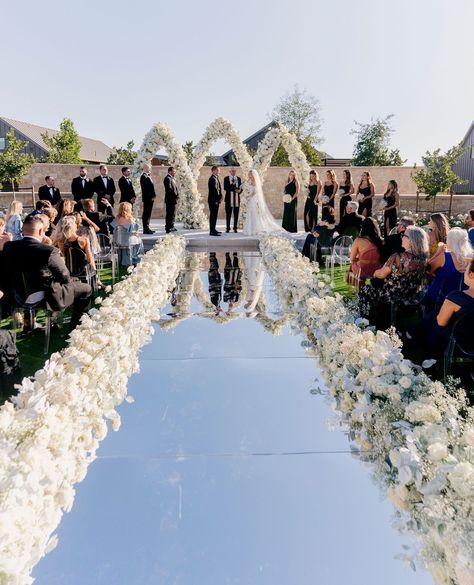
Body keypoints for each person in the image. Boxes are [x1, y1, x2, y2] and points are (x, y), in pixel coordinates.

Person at [2, 214, 92, 330]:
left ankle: (34, 322)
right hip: (45, 298)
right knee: (86, 289)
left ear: (23, 230)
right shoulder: (48, 251)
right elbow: (64, 276)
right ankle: (75, 328)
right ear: (40, 231)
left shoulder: (9, 247)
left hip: (18, 296)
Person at [358, 225, 429, 326]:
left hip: (392, 295)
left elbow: (381, 274)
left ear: (411, 240)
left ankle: (365, 320)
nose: (402, 237)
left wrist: (373, 273)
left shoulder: (398, 257)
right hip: (413, 296)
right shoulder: (424, 259)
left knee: (365, 290)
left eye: (404, 235)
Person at [411, 259, 474, 359]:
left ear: (471, 274)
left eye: (466, 269)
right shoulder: (457, 298)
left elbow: (440, 323)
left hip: (457, 346)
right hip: (470, 343)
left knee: (435, 321)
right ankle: (412, 335)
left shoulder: (456, 297)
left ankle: (426, 354)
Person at [424, 227, 473, 307]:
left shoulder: (445, 257)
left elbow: (428, 269)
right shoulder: (471, 258)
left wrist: (438, 252)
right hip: (463, 299)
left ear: (451, 241)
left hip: (439, 297)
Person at [243, 169, 282, 236]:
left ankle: (254, 229)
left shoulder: (255, 182)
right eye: (249, 173)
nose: (248, 175)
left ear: (252, 175)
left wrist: (248, 196)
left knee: (253, 213)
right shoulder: (249, 181)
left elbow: (255, 192)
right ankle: (250, 228)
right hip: (250, 199)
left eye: (250, 173)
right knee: (250, 213)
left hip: (253, 199)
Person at [348, 217, 383, 283]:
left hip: (361, 271)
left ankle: (358, 286)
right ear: (375, 228)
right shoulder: (381, 241)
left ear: (363, 227)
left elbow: (352, 259)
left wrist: (358, 258)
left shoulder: (358, 241)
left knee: (353, 264)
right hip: (377, 269)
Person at [223, 168, 242, 233]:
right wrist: (234, 186)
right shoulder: (226, 178)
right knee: (228, 214)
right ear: (230, 171)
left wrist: (240, 191)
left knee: (236, 215)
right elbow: (225, 188)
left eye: (234, 171)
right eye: (232, 171)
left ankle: (235, 228)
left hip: (236, 199)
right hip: (228, 199)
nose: (233, 172)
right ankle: (227, 228)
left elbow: (240, 188)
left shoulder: (238, 178)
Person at [140, 163, 156, 234]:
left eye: (149, 167)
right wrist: (151, 196)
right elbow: (146, 189)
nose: (149, 169)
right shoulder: (143, 177)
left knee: (148, 213)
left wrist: (154, 195)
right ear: (145, 168)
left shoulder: (148, 176)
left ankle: (147, 227)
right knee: (146, 213)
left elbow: (151, 187)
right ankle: (145, 229)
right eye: (148, 168)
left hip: (150, 198)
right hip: (147, 198)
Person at [163, 166, 179, 234]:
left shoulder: (172, 178)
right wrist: (175, 195)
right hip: (170, 199)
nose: (174, 173)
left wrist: (177, 195)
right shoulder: (167, 178)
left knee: (173, 214)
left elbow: (175, 188)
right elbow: (169, 189)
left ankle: (172, 226)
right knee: (169, 214)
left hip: (173, 199)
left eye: (175, 172)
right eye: (173, 171)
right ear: (169, 171)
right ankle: (168, 228)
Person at [208, 166, 222, 236]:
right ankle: (212, 231)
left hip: (215, 200)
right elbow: (214, 190)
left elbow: (219, 189)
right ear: (213, 171)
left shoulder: (215, 178)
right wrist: (219, 197)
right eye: (218, 170)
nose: (219, 171)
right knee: (213, 216)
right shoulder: (212, 179)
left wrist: (221, 196)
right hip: (213, 200)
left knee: (214, 216)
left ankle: (213, 229)